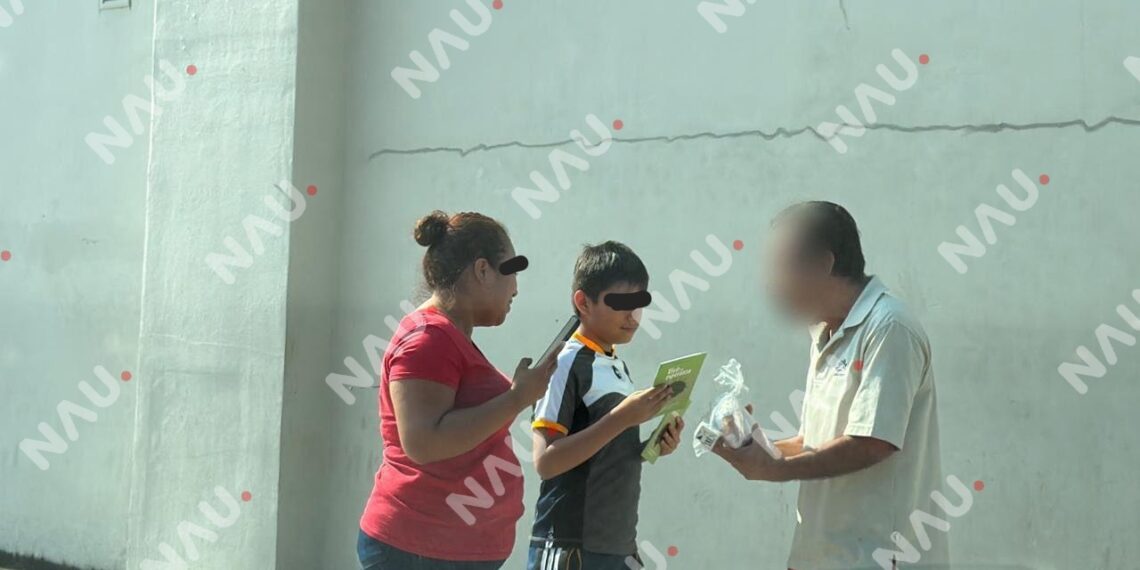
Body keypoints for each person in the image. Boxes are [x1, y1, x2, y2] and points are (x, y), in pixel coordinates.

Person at [712, 202, 947, 570]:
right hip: (822, 557)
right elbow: (815, 442)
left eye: (781, 267)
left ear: (823, 264)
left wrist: (775, 469)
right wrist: (758, 447)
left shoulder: (889, 328)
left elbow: (872, 443)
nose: (772, 284)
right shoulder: (825, 333)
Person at [357, 211, 560, 570]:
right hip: (419, 551)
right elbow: (422, 442)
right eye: (510, 271)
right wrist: (515, 398)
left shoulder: (447, 336)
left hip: (441, 551)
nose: (516, 288)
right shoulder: (428, 339)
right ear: (482, 270)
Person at [527, 241, 685, 570]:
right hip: (571, 547)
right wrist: (621, 418)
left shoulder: (614, 363)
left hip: (617, 545)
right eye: (621, 303)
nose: (633, 316)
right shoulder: (566, 362)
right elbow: (545, 462)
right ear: (583, 302)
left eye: (639, 303)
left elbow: (604, 448)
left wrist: (652, 447)